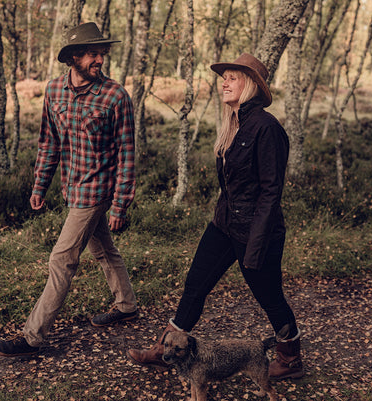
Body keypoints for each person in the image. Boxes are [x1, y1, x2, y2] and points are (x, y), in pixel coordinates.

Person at [127, 53, 303, 380]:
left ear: (250, 85)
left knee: (270, 298)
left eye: (233, 77)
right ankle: (163, 349)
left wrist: (255, 243)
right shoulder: (233, 124)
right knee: (195, 284)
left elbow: (270, 192)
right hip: (224, 225)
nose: (224, 82)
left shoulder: (267, 128)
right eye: (224, 77)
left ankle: (291, 359)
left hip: (256, 231)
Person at [0, 22, 138, 357]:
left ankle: (32, 337)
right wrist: (40, 184)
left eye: (102, 52)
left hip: (97, 190)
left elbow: (127, 155)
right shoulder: (54, 90)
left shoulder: (115, 96)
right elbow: (49, 142)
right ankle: (126, 304)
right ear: (73, 57)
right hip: (72, 187)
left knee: (61, 259)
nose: (100, 58)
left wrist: (120, 205)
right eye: (92, 53)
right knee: (103, 249)